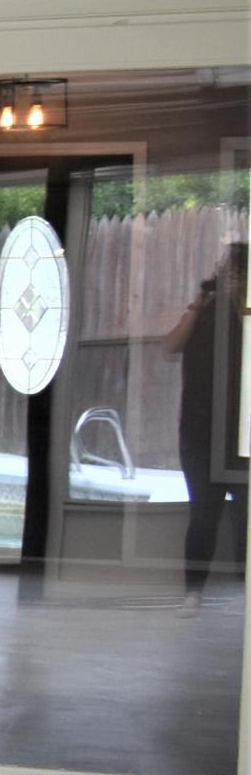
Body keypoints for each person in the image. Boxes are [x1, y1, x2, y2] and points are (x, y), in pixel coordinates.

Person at [163, 240, 248, 614]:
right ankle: (192, 592)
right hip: (200, 431)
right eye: (227, 270)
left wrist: (238, 298)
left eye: (238, 272)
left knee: (246, 516)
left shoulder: (244, 311)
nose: (230, 276)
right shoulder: (205, 309)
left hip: (241, 433)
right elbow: (172, 345)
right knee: (204, 514)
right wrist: (200, 304)